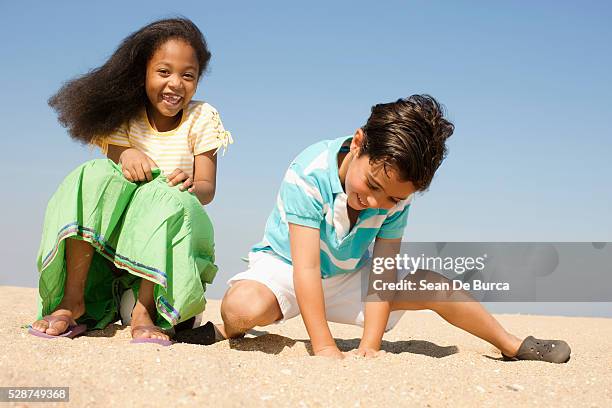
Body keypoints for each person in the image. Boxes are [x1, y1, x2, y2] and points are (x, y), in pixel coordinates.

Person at [216, 95, 570, 362]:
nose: (375, 202)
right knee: (242, 308)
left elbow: (382, 270)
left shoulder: (398, 196)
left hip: (348, 275)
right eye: (371, 185)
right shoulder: (309, 172)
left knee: (432, 285)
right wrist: (323, 346)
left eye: (392, 199)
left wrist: (370, 345)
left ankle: (511, 344)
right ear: (358, 144)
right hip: (289, 268)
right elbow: (306, 268)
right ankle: (224, 332)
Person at [29, 18, 233, 344]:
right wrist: (124, 155)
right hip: (118, 247)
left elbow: (207, 189)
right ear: (143, 73)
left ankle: (145, 312)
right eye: (164, 72)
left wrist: (192, 183)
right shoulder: (125, 115)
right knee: (90, 174)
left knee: (165, 195)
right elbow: (109, 183)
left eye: (187, 75)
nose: (175, 84)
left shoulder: (202, 116)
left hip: (170, 245)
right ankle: (72, 301)